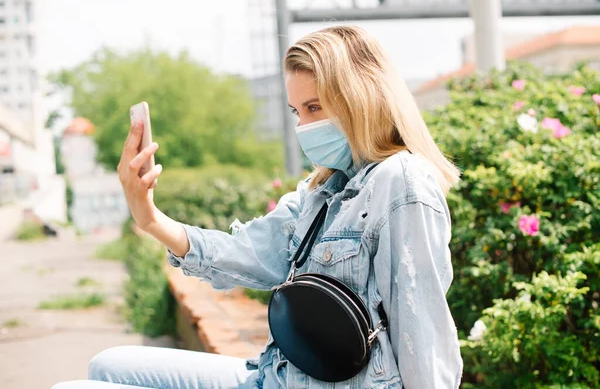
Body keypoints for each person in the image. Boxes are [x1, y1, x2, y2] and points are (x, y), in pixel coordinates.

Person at [52, 25, 463, 389]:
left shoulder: (402, 182)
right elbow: (247, 254)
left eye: (315, 107)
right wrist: (151, 218)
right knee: (106, 364)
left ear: (362, 98)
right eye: (297, 111)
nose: (304, 126)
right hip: (273, 376)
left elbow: (423, 332)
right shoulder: (321, 189)